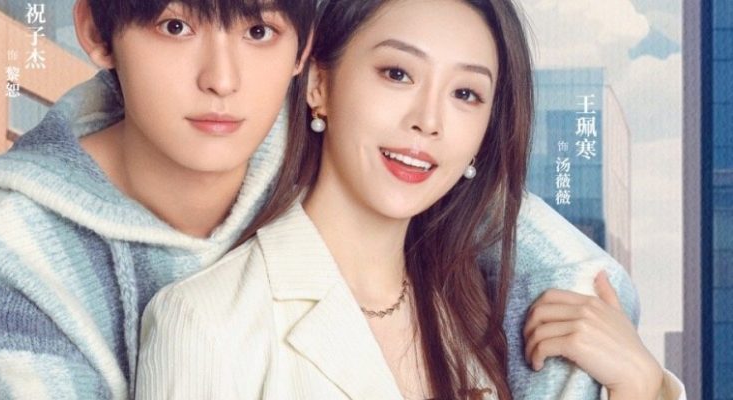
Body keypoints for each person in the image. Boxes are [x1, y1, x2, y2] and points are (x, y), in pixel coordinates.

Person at [136, 0, 685, 399]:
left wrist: (641, 387)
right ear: (319, 84)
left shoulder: (478, 322)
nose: (429, 119)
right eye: (397, 73)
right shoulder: (206, 321)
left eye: (465, 93)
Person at [0, 0, 315, 398]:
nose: (221, 80)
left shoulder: (330, 164)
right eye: (174, 27)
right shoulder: (10, 238)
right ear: (97, 33)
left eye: (258, 32)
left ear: (303, 49)